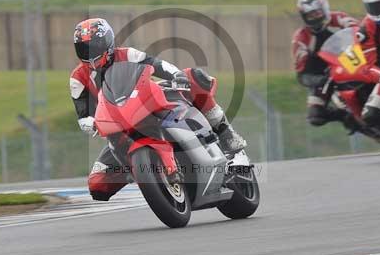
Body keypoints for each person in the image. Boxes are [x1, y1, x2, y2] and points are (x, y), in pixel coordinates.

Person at [70, 18, 247, 201]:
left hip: (147, 105)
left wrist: (176, 75)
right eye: (84, 48)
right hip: (120, 128)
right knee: (97, 185)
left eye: (95, 46)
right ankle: (144, 172)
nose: (90, 54)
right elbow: (83, 116)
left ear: (108, 42)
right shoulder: (77, 78)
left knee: (194, 77)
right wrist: (95, 124)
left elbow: (158, 65)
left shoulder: (128, 54)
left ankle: (227, 135)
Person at [291, 0, 361, 129]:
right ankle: (343, 116)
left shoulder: (340, 18)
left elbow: (361, 32)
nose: (314, 18)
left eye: (317, 13)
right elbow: (302, 74)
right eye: (309, 15)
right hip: (324, 76)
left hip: (350, 62)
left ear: (325, 9)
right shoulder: (301, 39)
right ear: (303, 17)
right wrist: (318, 80)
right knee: (315, 117)